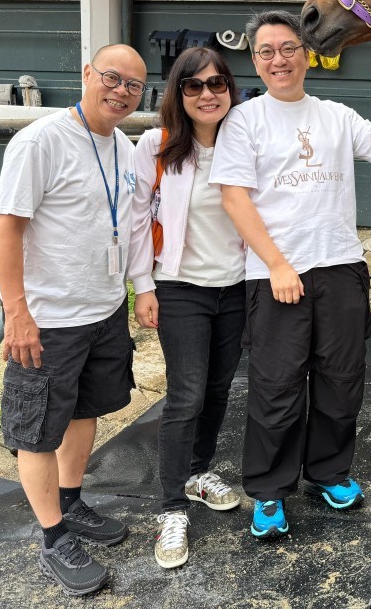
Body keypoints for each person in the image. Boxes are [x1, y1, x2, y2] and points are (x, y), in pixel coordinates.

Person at [210, 9, 371, 539]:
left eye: (288, 48)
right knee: (276, 389)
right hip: (277, 274)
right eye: (267, 52)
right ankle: (270, 491)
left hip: (341, 267)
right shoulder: (244, 120)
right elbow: (234, 198)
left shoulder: (335, 115)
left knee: (341, 382)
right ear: (255, 61)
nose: (279, 59)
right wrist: (277, 264)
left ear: (307, 55)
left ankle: (328, 473)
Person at [0, 44, 146, 596]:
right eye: (112, 77)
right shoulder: (41, 140)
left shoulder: (124, 147)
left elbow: (123, 226)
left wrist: (132, 292)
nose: (122, 91)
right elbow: (8, 228)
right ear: (87, 74)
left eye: (133, 85)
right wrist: (17, 312)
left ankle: (72, 501)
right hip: (48, 317)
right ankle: (53, 537)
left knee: (86, 411)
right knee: (37, 431)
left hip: (103, 309)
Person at [126, 47, 246, 569]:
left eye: (216, 83)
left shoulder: (245, 144)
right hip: (180, 287)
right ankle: (171, 506)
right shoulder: (156, 145)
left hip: (236, 286)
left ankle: (199, 472)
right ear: (177, 93)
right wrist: (142, 285)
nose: (206, 94)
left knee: (219, 387)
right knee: (186, 395)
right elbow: (133, 220)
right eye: (193, 85)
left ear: (229, 90)